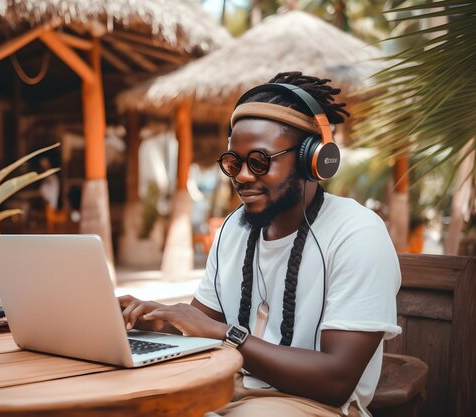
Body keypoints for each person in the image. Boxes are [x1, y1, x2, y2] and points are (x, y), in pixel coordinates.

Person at [119, 72, 401, 417]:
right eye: (235, 163)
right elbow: (199, 325)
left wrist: (229, 334)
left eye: (259, 161)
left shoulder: (357, 233)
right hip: (227, 387)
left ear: (312, 160)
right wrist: (146, 318)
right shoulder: (233, 228)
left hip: (318, 405)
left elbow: (336, 380)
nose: (242, 176)